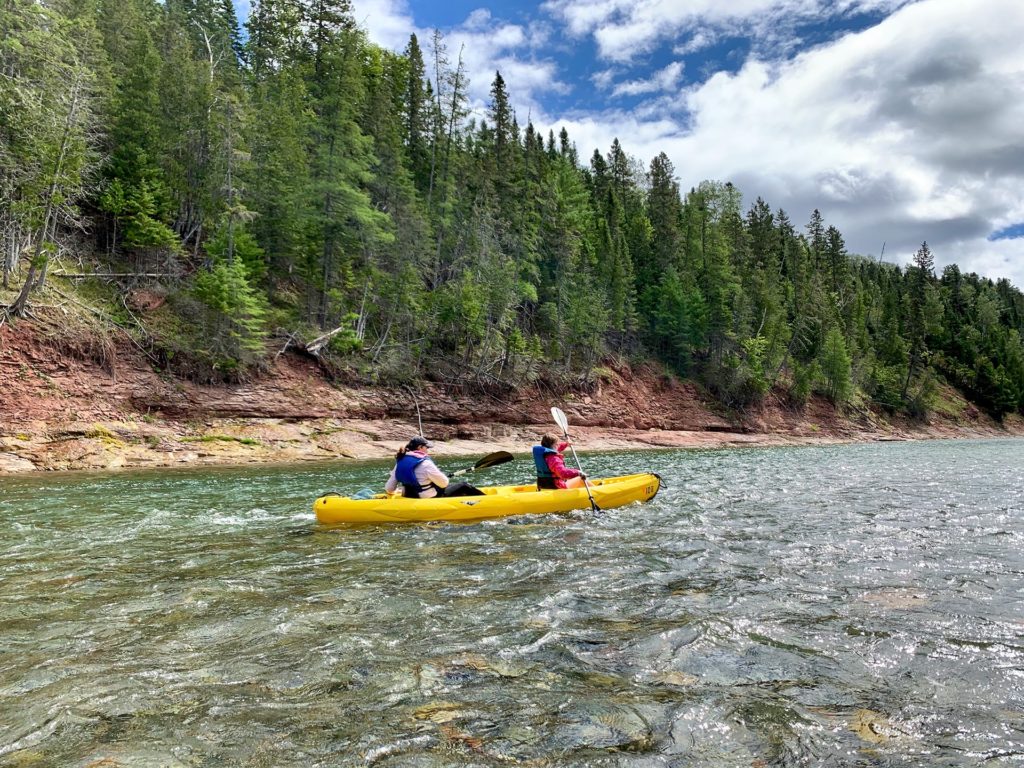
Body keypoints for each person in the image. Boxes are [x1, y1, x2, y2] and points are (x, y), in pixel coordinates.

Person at [385, 437, 483, 498]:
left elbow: (389, 488)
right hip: (427, 497)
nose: (427, 450)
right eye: (426, 447)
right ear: (420, 448)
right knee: (464, 485)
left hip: (408, 495)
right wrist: (440, 476)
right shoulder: (426, 464)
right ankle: (484, 501)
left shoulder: (400, 462)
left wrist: (396, 491)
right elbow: (444, 483)